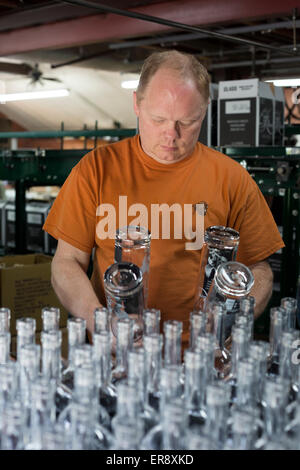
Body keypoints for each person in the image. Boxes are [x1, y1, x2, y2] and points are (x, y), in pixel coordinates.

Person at [43, 50, 284, 348]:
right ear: (136, 104)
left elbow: (260, 271)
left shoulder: (232, 179)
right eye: (159, 119)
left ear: (205, 111)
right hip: (116, 353)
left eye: (188, 121)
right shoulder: (96, 169)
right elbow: (66, 262)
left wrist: (232, 316)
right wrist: (101, 322)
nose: (171, 135)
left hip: (201, 354)